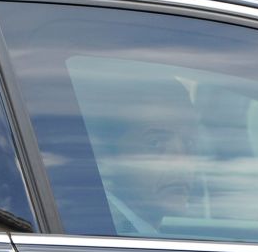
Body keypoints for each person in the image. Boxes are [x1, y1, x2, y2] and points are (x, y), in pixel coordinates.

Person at [88, 77, 206, 235]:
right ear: (108, 154)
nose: (182, 162)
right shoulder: (107, 236)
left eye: (189, 143)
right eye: (155, 143)